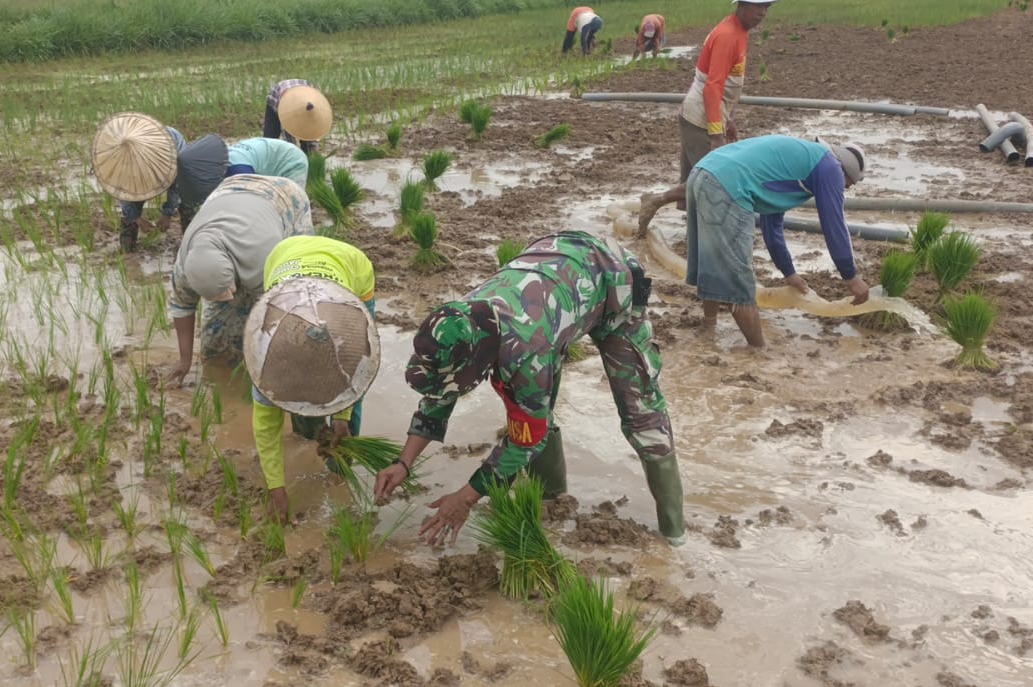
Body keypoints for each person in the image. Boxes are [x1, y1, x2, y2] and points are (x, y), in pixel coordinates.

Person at [372, 231, 685, 547]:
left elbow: (525, 440)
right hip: (554, 279)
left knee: (640, 412)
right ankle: (552, 499)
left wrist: (465, 498)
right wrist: (403, 463)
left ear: (481, 361)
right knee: (537, 411)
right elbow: (441, 393)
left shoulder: (526, 351)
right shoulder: (458, 320)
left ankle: (675, 533)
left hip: (613, 282)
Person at [684, 135, 870, 348]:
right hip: (725, 184)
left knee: (714, 264)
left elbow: (771, 226)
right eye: (849, 183)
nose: (846, 188)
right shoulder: (830, 168)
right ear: (845, 170)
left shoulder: (803, 163)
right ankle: (759, 353)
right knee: (739, 281)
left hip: (702, 173)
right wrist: (850, 276)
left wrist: (789, 273)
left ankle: (709, 330)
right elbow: (833, 223)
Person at [248, 236, 380, 522]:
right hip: (283, 255)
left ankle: (340, 465)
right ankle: (309, 431)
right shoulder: (265, 362)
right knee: (301, 404)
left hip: (351, 266)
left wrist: (343, 416)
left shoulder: (349, 336)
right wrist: (276, 489)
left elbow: (354, 375)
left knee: (348, 394)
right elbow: (266, 430)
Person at [633, 0, 776, 233]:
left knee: (697, 180)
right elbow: (713, 86)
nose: (762, 13)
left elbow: (726, 84)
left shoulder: (739, 31)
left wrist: (728, 120)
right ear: (740, 5)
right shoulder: (728, 35)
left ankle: (693, 230)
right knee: (711, 181)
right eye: (757, 6)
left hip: (704, 114)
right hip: (700, 118)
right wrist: (716, 133)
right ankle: (657, 201)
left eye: (766, 7)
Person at [167, 175, 314, 387]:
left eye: (227, 291)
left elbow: (286, 310)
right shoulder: (184, 268)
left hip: (283, 198)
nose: (227, 298)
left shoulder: (266, 259)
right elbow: (181, 306)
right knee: (216, 342)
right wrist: (184, 360)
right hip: (226, 194)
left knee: (277, 308)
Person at [169, 135, 310, 213]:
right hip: (267, 157)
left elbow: (253, 202)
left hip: (289, 160)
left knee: (289, 207)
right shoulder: (218, 163)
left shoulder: (238, 171)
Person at [115, 125, 190, 254]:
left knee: (187, 200)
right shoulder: (124, 158)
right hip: (138, 165)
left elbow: (177, 184)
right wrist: (137, 218)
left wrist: (168, 213)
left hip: (176, 159)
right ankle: (127, 253)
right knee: (132, 202)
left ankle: (191, 245)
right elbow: (123, 191)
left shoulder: (172, 147)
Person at [263, 80, 333, 155]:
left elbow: (313, 134)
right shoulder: (288, 113)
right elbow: (288, 139)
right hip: (278, 96)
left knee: (307, 140)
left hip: (302, 89)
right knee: (270, 139)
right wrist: (294, 155)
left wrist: (314, 151)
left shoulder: (316, 106)